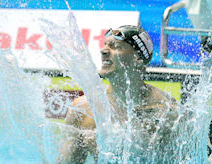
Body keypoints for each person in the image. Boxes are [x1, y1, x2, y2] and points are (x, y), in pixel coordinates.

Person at [58, 25, 179, 163]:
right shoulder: (83, 109)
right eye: (105, 45)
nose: (103, 51)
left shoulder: (165, 111)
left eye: (115, 46)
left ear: (138, 59)